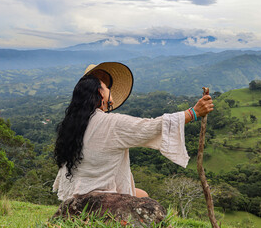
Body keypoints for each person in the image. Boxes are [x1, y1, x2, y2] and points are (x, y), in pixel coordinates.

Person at [53, 62, 214, 201]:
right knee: (144, 198)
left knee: (141, 194)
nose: (110, 90)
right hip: (100, 197)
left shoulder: (72, 124)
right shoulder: (111, 123)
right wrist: (193, 113)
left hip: (76, 196)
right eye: (107, 87)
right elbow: (149, 127)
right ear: (99, 93)